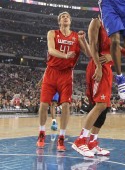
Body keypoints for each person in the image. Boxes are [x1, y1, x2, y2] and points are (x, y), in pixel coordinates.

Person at [36, 11, 91, 151]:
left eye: (67, 17)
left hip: (66, 74)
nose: (65, 18)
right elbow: (51, 50)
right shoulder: (52, 33)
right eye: (62, 17)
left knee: (66, 105)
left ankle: (61, 137)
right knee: (43, 105)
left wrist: (83, 39)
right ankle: (42, 133)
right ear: (59, 22)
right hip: (51, 72)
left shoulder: (76, 37)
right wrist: (66, 55)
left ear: (70, 21)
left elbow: (89, 54)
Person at [72, 16, 112, 158]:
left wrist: (111, 56)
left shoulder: (113, 25)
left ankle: (92, 143)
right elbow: (92, 50)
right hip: (98, 66)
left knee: (104, 108)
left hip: (108, 68)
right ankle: (80, 140)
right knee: (99, 104)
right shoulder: (96, 22)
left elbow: (118, 49)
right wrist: (99, 66)